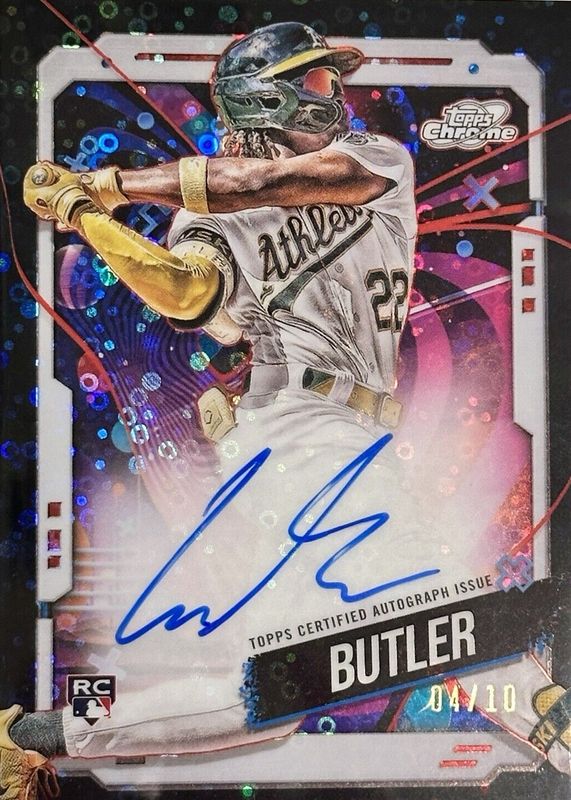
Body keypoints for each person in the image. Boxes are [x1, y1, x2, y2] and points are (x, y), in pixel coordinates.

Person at [8, 21, 568, 799]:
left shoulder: (373, 158)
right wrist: (85, 215)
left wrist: (111, 185)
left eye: (329, 81)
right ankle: (557, 725)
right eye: (313, 82)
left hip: (349, 430)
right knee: (436, 607)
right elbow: (188, 295)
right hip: (296, 426)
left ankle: (37, 735)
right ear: (260, 98)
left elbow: (256, 185)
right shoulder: (208, 215)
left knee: (270, 693)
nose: (332, 96)